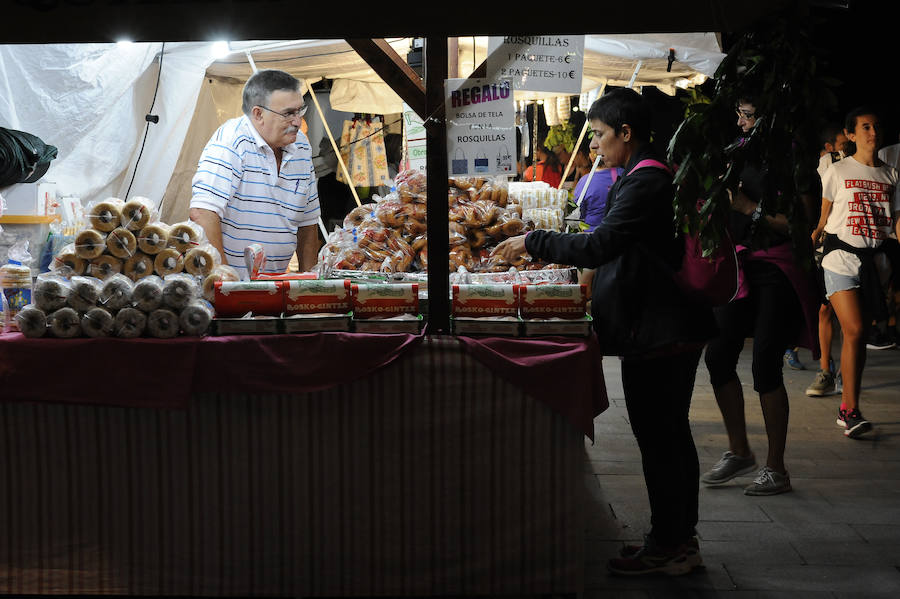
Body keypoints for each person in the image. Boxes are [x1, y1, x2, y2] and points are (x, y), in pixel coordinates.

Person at [494, 88, 716, 576]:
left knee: (662, 438)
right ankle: (674, 538)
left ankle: (673, 546)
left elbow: (604, 244)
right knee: (668, 436)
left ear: (626, 133)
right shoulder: (642, 174)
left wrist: (532, 241)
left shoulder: (647, 181)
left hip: (661, 328)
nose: (594, 144)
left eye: (598, 134)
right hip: (658, 325)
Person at [701, 97, 819, 496]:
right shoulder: (738, 152)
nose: (740, 121)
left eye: (748, 114)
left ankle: (776, 468)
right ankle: (739, 451)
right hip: (740, 264)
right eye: (739, 113)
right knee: (717, 355)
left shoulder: (796, 158)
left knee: (765, 363)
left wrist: (749, 208)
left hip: (776, 267)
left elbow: (800, 225)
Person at [810, 106, 900, 438]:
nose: (872, 132)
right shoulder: (837, 170)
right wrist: (817, 230)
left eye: (876, 126)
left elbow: (896, 220)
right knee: (856, 329)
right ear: (851, 135)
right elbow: (826, 208)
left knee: (858, 337)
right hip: (840, 258)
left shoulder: (891, 175)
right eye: (865, 127)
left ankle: (849, 407)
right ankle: (849, 410)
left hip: (874, 261)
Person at [189, 69, 321, 277]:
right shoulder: (231, 141)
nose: (297, 121)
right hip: (225, 288)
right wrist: (228, 283)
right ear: (258, 114)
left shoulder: (301, 146)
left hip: (272, 286)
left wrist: (309, 285)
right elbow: (203, 214)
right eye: (288, 114)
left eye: (299, 111)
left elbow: (308, 223)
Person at [807, 123, 849, 396]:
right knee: (825, 309)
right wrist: (817, 231)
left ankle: (846, 368)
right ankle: (826, 370)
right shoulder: (829, 162)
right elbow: (826, 201)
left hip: (850, 244)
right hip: (826, 243)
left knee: (849, 316)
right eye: (844, 143)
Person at [572, 135, 623, 232]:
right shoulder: (624, 174)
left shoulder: (585, 182)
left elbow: (576, 215)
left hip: (592, 237)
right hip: (618, 235)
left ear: (591, 157)